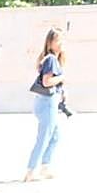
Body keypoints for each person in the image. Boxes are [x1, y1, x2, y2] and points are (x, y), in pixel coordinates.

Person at [25, 28, 66, 182]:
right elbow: (47, 82)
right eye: (57, 40)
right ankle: (31, 170)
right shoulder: (51, 60)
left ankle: (45, 166)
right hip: (47, 103)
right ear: (50, 43)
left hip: (48, 102)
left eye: (61, 40)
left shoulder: (51, 59)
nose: (60, 43)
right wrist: (62, 77)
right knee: (44, 137)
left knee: (55, 136)